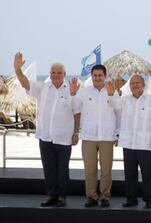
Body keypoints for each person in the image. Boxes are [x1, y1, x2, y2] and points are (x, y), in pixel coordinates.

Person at [14, 52, 80, 207]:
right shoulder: (42, 87)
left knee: (63, 170)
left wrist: (76, 132)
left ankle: (62, 196)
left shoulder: (72, 90)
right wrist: (18, 70)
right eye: (53, 73)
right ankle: (51, 195)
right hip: (45, 137)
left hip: (64, 137)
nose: (56, 75)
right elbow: (25, 84)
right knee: (49, 169)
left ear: (65, 74)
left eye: (59, 73)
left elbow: (77, 113)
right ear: (50, 74)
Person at [107, 75, 151, 209]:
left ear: (143, 85)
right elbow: (114, 105)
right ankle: (131, 199)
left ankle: (149, 200)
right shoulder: (124, 100)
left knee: (147, 174)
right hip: (128, 143)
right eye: (132, 83)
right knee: (130, 174)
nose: (135, 85)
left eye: (137, 83)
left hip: (146, 143)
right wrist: (112, 92)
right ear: (129, 86)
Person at [70, 64, 118, 208]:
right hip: (89, 136)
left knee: (106, 169)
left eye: (100, 75)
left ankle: (104, 196)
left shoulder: (111, 91)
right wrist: (72, 94)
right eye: (95, 75)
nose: (97, 78)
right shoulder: (84, 92)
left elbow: (118, 109)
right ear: (91, 77)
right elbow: (74, 107)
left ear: (105, 76)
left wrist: (111, 95)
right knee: (89, 169)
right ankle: (91, 196)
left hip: (107, 136)